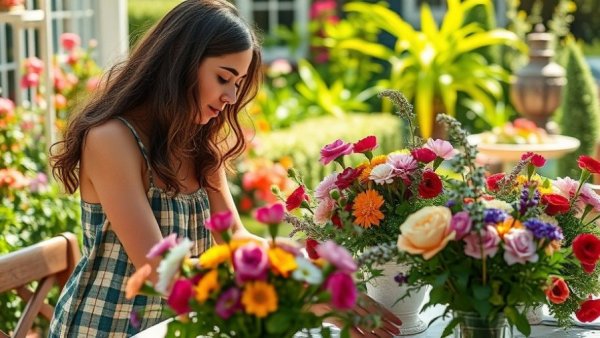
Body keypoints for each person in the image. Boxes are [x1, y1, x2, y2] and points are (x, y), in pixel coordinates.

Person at [48, 0, 400, 337]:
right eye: (223, 78)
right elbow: (160, 272)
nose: (231, 97)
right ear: (180, 63)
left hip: (181, 329)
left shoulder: (196, 143)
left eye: (238, 83)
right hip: (106, 327)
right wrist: (304, 298)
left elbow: (236, 239)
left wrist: (313, 276)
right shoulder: (111, 139)